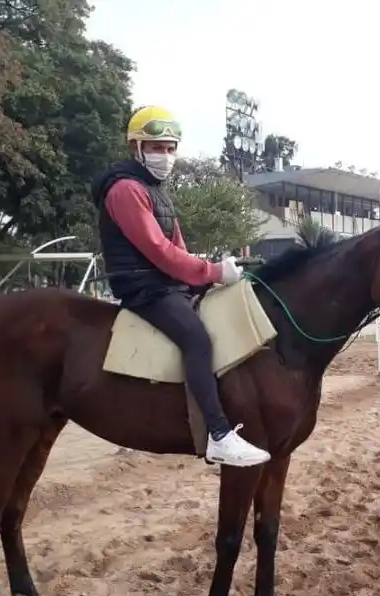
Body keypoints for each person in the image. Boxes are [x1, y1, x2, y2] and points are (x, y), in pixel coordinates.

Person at [91, 105, 271, 468]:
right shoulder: (126, 190)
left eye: (171, 148)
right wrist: (213, 272)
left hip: (166, 283)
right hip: (146, 288)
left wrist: (206, 274)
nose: (166, 156)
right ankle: (219, 434)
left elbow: (178, 248)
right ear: (136, 148)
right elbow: (158, 251)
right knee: (197, 338)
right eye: (157, 148)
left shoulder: (155, 189)